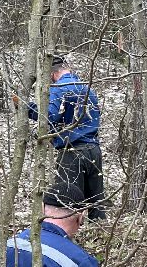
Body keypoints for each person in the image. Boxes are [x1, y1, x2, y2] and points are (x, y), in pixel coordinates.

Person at [26, 55, 106, 219]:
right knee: (96, 204)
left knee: (66, 204)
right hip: (94, 151)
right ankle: (101, 237)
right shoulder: (88, 89)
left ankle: (68, 240)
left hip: (71, 153)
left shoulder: (58, 89)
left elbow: (48, 116)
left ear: (52, 74)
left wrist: (25, 106)